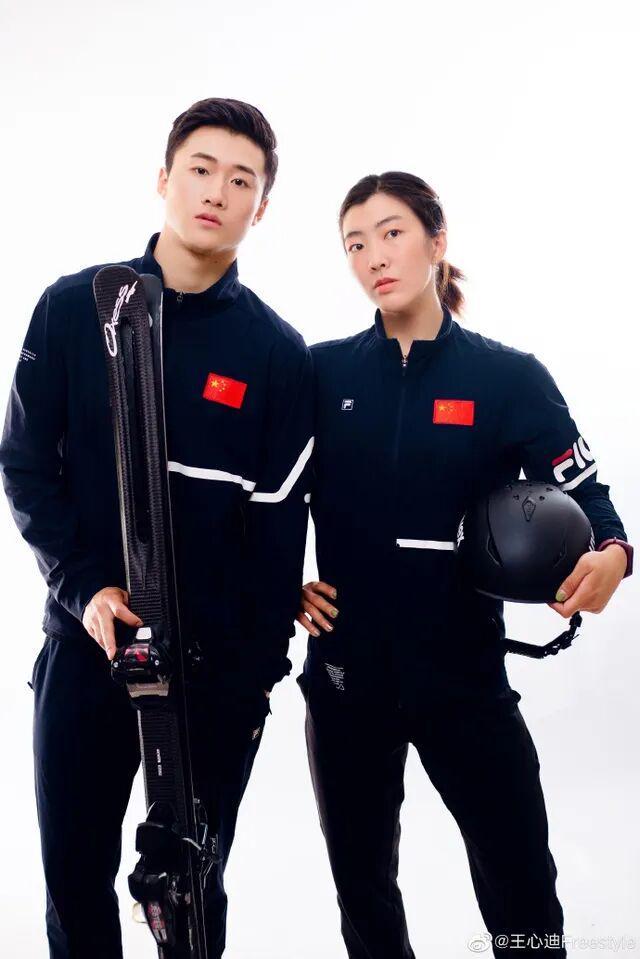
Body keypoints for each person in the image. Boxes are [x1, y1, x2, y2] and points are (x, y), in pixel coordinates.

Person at [0, 97, 314, 959]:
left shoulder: (277, 354)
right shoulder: (76, 308)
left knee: (189, 892)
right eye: (200, 169)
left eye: (241, 180)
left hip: (215, 672)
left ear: (261, 207)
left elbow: (277, 536)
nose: (216, 191)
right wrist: (84, 589)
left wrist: (254, 683)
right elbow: (24, 466)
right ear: (164, 178)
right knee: (74, 881)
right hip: (89, 646)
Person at [296, 171, 632, 959]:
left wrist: (615, 556)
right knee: (363, 888)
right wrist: (280, 579)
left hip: (463, 676)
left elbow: (590, 495)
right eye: (355, 243)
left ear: (436, 239)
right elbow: (262, 497)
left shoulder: (508, 378)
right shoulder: (319, 374)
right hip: (345, 679)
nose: (374, 256)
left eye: (391, 233)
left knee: (521, 886)